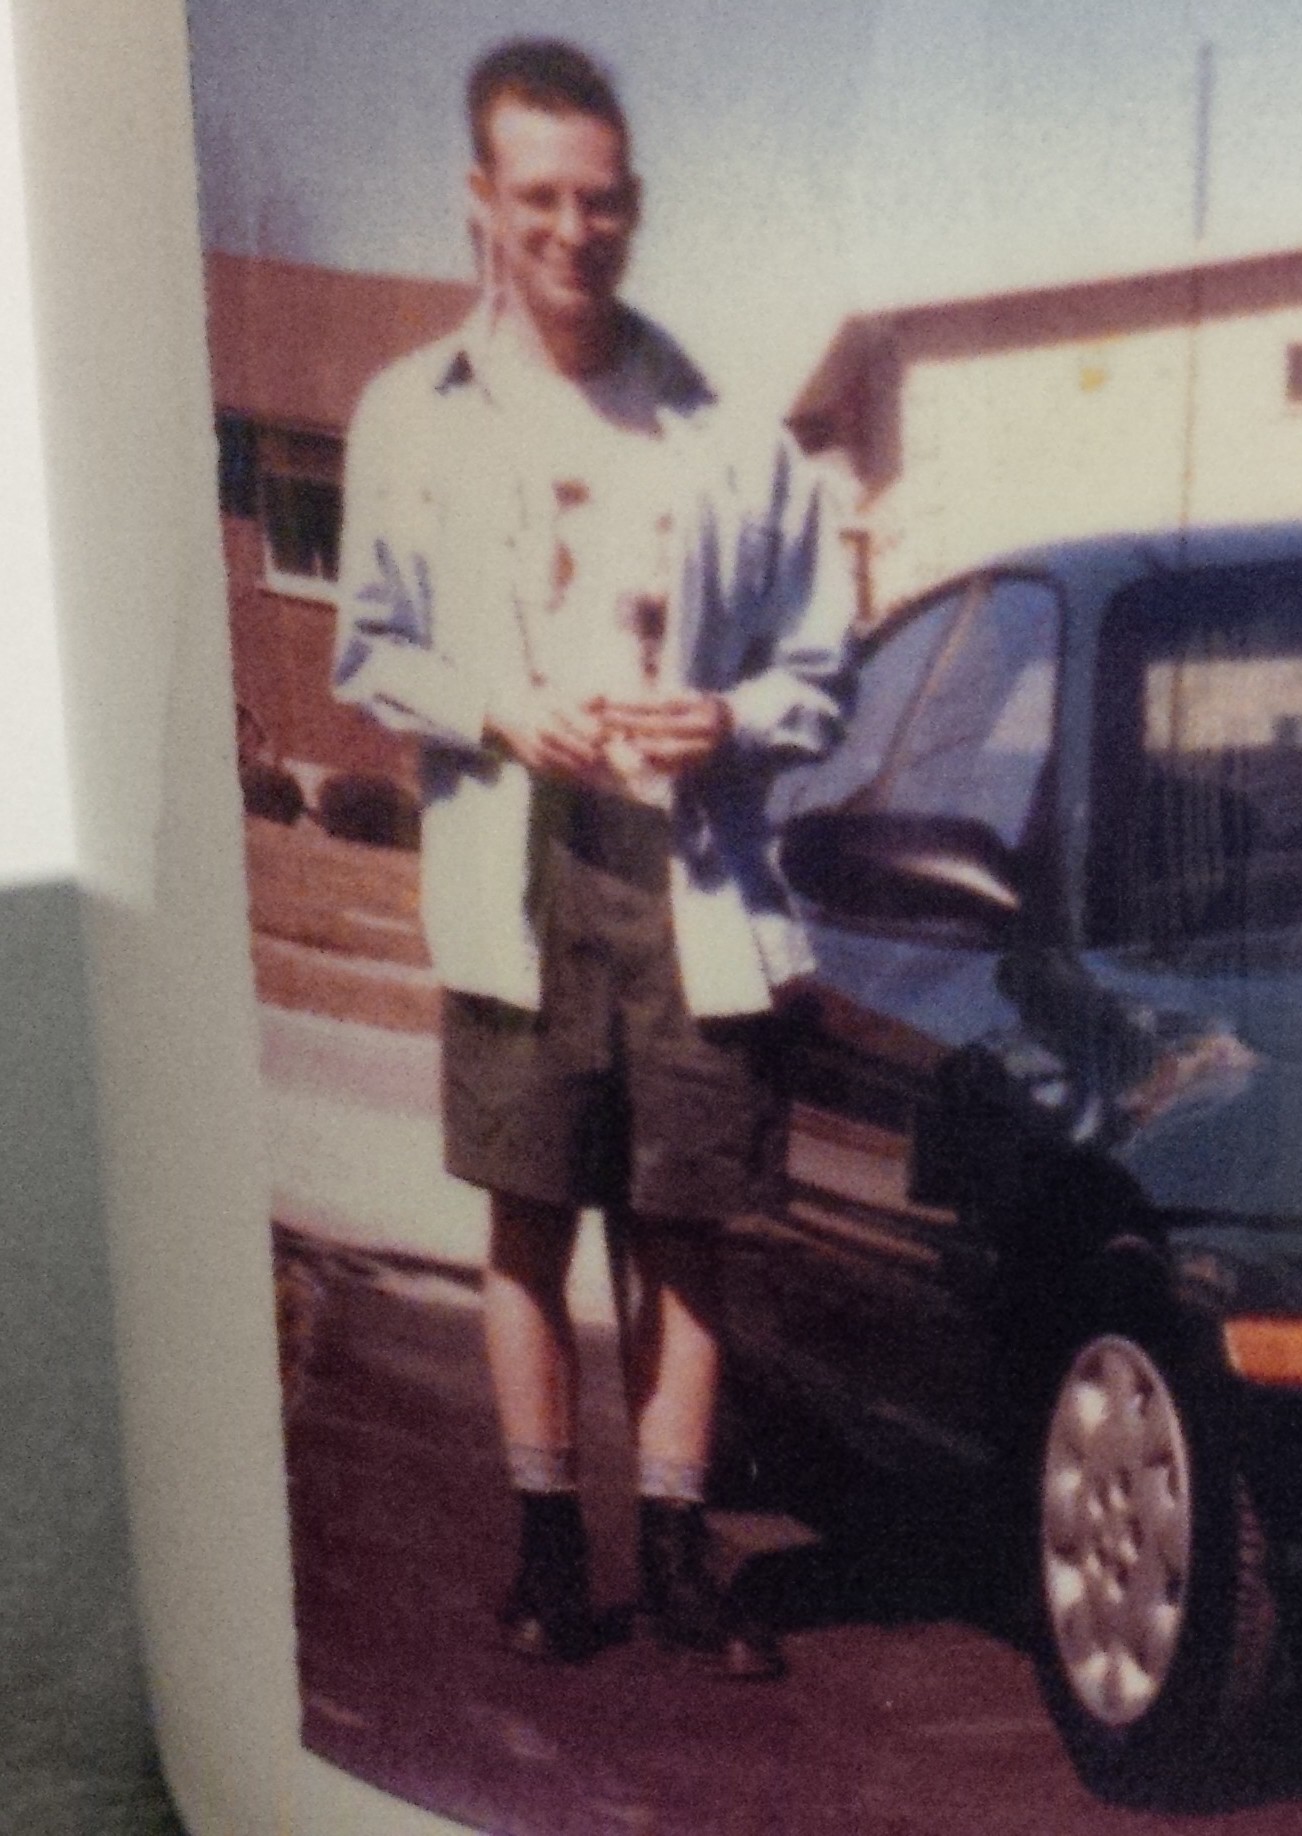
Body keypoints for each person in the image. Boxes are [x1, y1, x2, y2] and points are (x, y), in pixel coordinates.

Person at [332, 37, 853, 1679]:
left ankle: (680, 1553)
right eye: (542, 198)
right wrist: (500, 709)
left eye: (603, 200)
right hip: (519, 877)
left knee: (682, 1230)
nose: (575, 231)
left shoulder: (725, 432)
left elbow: (817, 671)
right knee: (530, 1218)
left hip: (690, 890)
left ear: (634, 206)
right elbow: (368, 652)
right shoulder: (408, 416)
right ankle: (550, 1547)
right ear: (482, 201)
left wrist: (730, 715)